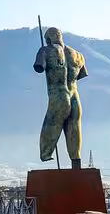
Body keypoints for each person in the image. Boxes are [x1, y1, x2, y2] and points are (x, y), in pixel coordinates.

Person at [33, 27, 87, 169]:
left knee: (51, 124)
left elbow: (39, 66)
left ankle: (46, 153)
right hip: (75, 96)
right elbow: (81, 75)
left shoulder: (45, 50)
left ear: (49, 38)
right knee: (74, 128)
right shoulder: (78, 55)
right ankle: (76, 161)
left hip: (59, 96)